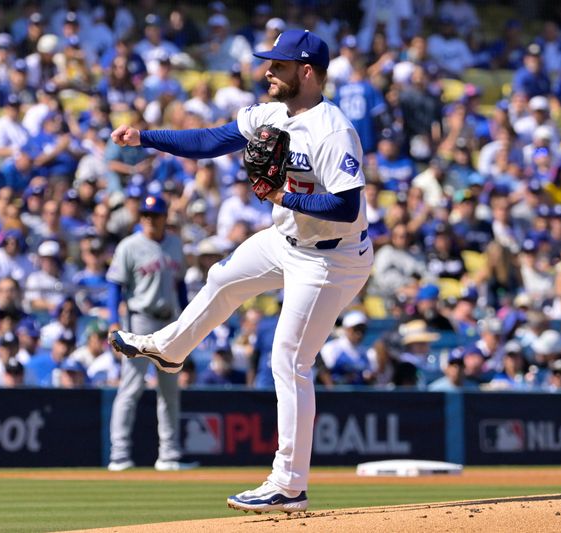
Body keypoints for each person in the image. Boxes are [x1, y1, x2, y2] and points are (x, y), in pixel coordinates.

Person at [108, 29, 372, 514]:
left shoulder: (332, 130)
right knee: (223, 280)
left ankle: (289, 485)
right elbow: (211, 140)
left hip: (332, 258)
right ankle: (169, 350)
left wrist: (283, 197)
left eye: (279, 65)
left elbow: (348, 206)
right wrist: (145, 137)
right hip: (286, 238)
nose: (268, 71)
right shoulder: (273, 112)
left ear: (307, 72)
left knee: (289, 361)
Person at [105, 194, 192, 473]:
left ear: (165, 217)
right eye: (145, 215)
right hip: (139, 321)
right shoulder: (129, 246)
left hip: (169, 323)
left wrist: (189, 320)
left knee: (169, 391)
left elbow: (180, 287)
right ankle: (119, 454)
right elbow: (114, 286)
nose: (149, 220)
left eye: (155, 215)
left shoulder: (175, 244)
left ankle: (169, 454)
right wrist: (113, 321)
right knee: (131, 386)